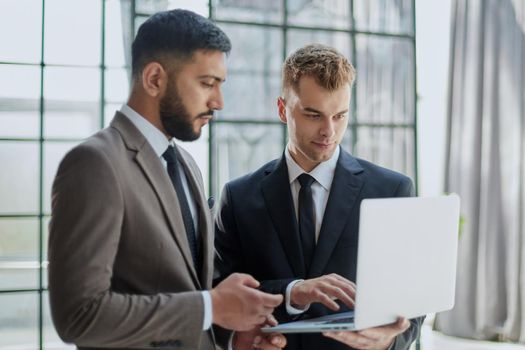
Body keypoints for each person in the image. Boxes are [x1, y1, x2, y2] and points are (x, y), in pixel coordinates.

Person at [48, 9, 285, 350]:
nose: (218, 102)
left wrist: (233, 337)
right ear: (155, 79)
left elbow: (189, 299)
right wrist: (212, 306)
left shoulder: (187, 165)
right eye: (207, 83)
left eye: (220, 85)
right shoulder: (94, 164)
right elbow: (79, 315)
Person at [214, 44, 424, 350]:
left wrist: (389, 342)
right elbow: (221, 294)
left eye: (340, 115)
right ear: (283, 109)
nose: (329, 131)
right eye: (313, 114)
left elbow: (414, 296)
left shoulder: (392, 191)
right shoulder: (238, 197)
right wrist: (292, 292)